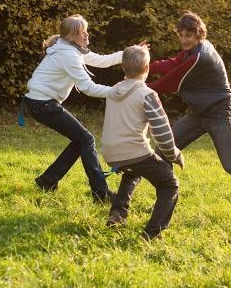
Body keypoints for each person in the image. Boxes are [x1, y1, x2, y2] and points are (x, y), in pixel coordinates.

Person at [147, 11, 231, 221]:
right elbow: (172, 63)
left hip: (219, 113)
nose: (183, 40)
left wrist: (138, 85)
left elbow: (169, 82)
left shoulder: (200, 56)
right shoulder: (191, 52)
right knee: (162, 150)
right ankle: (165, 200)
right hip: (199, 113)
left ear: (199, 34)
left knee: (230, 164)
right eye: (180, 35)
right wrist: (145, 65)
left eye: (188, 35)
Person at [23, 14, 122, 203]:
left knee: (80, 140)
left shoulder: (73, 49)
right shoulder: (68, 54)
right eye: (81, 32)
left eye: (86, 30)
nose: (86, 35)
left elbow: (101, 60)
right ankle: (101, 194)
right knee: (86, 139)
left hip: (41, 103)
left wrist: (128, 53)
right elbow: (88, 88)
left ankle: (48, 180)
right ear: (70, 36)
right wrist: (120, 92)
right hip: (42, 104)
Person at [100, 45, 184, 240]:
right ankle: (152, 233)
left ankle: (118, 213)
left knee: (134, 169)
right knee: (169, 184)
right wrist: (175, 155)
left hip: (110, 152)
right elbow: (162, 133)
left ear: (124, 68)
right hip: (133, 151)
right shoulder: (147, 95)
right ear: (147, 68)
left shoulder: (113, 91)